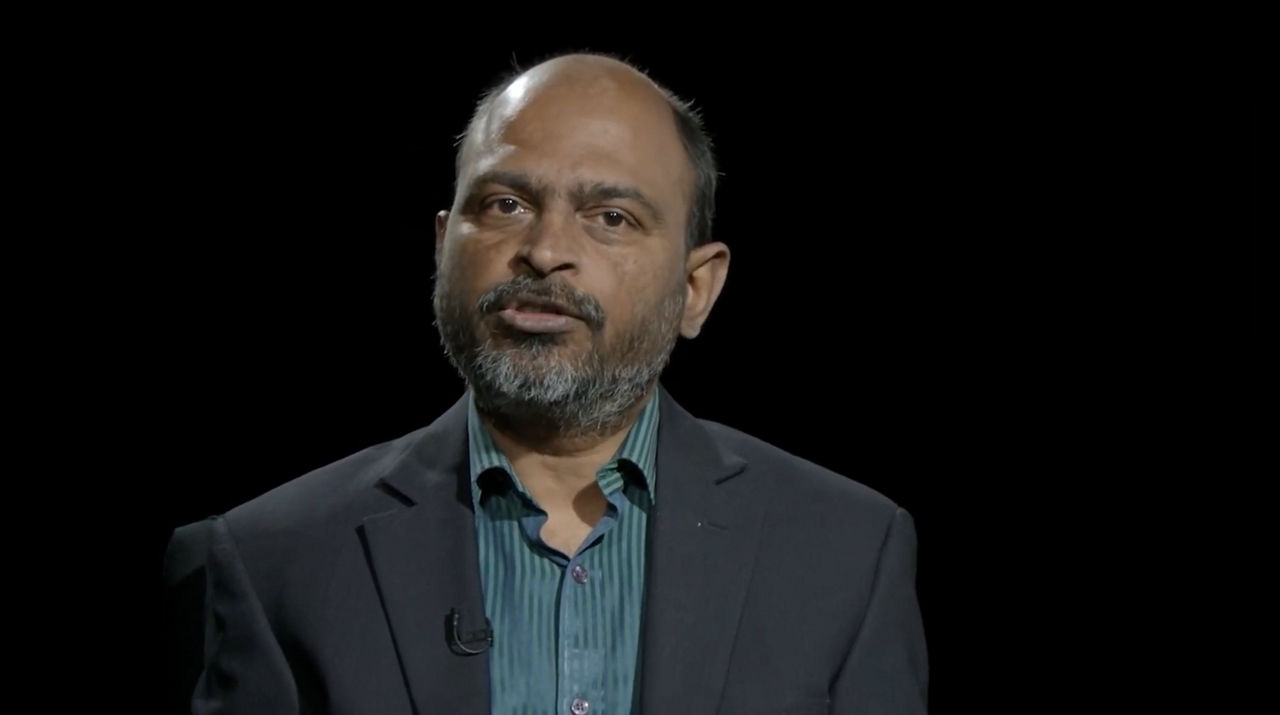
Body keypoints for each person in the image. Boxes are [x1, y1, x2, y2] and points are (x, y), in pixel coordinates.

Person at [163, 51, 928, 714]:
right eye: (506, 204)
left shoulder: (847, 554)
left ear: (696, 288)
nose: (545, 248)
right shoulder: (270, 561)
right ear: (442, 248)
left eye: (611, 216)